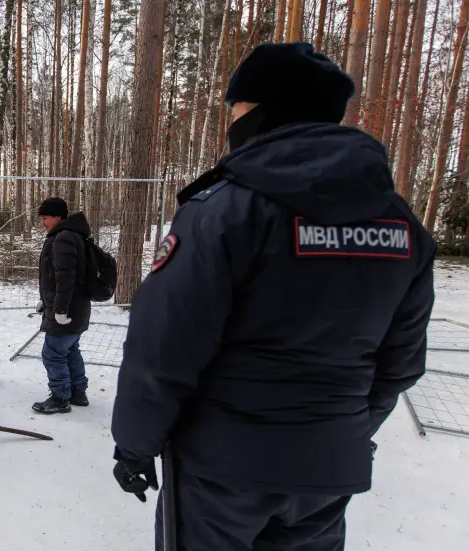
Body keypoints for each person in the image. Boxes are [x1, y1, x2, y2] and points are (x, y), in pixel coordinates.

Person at [110, 42, 436, 551]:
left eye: (236, 108)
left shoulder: (224, 210)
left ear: (266, 111)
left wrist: (135, 444)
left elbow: (163, 347)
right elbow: (401, 363)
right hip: (328, 468)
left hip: (223, 468)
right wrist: (336, 429)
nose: (231, 121)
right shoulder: (402, 226)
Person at [31, 197, 91, 415]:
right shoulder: (73, 234)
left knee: (53, 353)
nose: (43, 222)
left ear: (58, 216)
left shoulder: (64, 238)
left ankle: (60, 398)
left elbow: (65, 279)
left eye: (46, 217)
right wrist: (46, 301)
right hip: (77, 309)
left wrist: (60, 310)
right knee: (70, 350)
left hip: (67, 311)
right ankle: (78, 392)